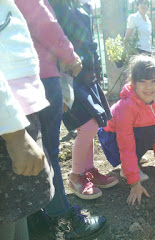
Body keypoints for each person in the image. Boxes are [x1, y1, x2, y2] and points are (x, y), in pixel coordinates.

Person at [15, 0, 107, 238]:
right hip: (39, 76)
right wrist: (69, 55)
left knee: (27, 154)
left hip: (22, 78)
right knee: (47, 152)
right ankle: (62, 222)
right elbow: (41, 18)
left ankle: (37, 221)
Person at [49, 0, 119, 200]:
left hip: (88, 76)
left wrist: (96, 71)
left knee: (94, 125)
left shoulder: (84, 6)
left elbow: (90, 42)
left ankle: (88, 170)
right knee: (87, 127)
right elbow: (52, 36)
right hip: (68, 75)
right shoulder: (57, 4)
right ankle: (75, 176)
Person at [0, 1, 54, 239]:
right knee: (7, 213)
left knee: (16, 211)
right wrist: (14, 134)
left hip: (15, 114)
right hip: (9, 123)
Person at [98, 55, 155, 206]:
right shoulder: (126, 107)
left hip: (140, 132)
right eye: (142, 82)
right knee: (151, 132)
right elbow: (125, 143)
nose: (149, 87)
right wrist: (134, 182)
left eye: (153, 81)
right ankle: (127, 168)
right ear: (133, 84)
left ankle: (136, 157)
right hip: (113, 139)